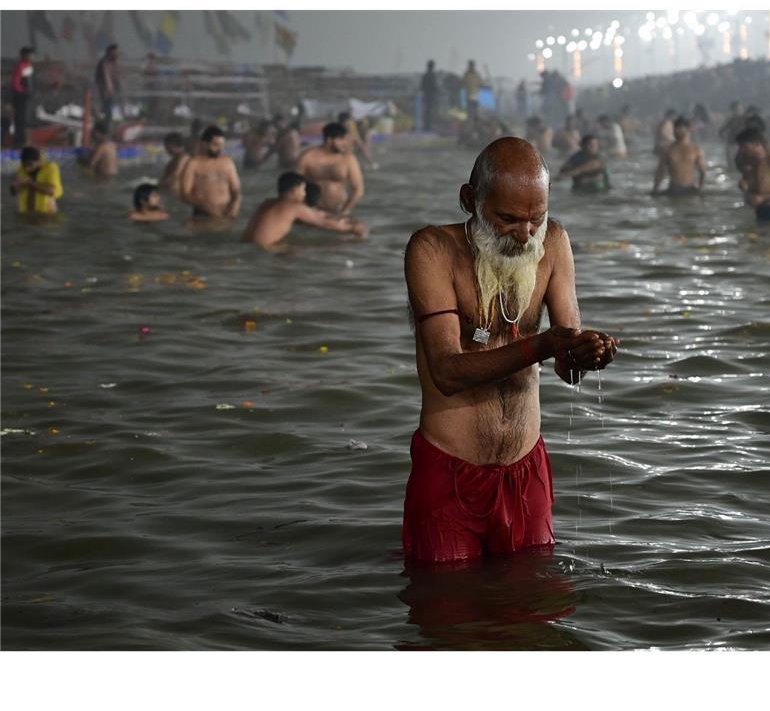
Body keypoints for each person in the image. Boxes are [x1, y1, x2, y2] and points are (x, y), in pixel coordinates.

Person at [401, 136, 618, 563]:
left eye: (536, 218)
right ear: (470, 200)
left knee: (533, 605)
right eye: (508, 219)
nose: (525, 235)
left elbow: (565, 364)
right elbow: (446, 371)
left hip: (526, 466)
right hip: (450, 470)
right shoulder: (432, 250)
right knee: (448, 611)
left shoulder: (553, 243)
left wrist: (589, 354)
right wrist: (543, 345)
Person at [242, 172, 367, 249]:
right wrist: (352, 228)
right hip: (266, 251)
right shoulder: (294, 207)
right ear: (294, 190)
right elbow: (325, 224)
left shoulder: (267, 202)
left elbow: (312, 216)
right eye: (303, 189)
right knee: (323, 248)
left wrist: (326, 215)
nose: (304, 194)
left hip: (246, 247)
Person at [294, 122, 365, 215]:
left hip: (339, 209)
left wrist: (344, 211)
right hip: (312, 210)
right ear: (329, 140)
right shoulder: (307, 157)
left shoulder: (348, 159)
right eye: (341, 139)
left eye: (346, 140)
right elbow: (294, 186)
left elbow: (358, 190)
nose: (345, 143)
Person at [180, 125, 242, 219]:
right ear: (204, 144)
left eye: (221, 145)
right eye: (215, 145)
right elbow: (185, 194)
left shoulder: (228, 163)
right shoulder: (193, 164)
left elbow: (236, 190)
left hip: (227, 213)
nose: (220, 149)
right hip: (202, 213)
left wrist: (235, 205)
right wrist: (206, 207)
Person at [652, 117, 707, 196]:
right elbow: (660, 172)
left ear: (688, 129)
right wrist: (655, 189)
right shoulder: (668, 150)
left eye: (679, 128)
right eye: (675, 128)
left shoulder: (696, 150)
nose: (676, 131)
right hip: (673, 189)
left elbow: (703, 172)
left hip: (690, 189)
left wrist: (700, 189)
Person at [10, 146, 62, 216]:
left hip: (46, 215)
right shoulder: (22, 170)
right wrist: (14, 186)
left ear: (39, 161)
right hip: (26, 215)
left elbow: (52, 191)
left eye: (30, 164)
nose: (27, 168)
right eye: (24, 165)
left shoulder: (50, 168)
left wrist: (29, 182)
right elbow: (14, 193)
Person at [9, 46, 34, 146]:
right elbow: (15, 83)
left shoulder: (29, 66)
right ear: (25, 55)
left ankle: (23, 140)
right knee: (20, 119)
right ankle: (18, 141)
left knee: (24, 119)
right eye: (30, 54)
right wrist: (23, 92)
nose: (32, 56)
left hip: (27, 97)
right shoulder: (20, 66)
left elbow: (29, 81)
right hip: (20, 97)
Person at [93, 44, 121, 130]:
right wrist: (110, 88)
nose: (117, 54)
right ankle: (103, 130)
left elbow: (115, 76)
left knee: (108, 111)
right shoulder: (105, 62)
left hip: (107, 92)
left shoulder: (112, 62)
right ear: (110, 52)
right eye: (116, 52)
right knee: (105, 111)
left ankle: (106, 128)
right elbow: (106, 77)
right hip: (103, 91)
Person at [718, 101, 747, 167]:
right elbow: (721, 130)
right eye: (736, 109)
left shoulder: (745, 119)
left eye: (740, 109)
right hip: (731, 142)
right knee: (730, 160)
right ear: (732, 111)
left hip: (741, 143)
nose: (738, 111)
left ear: (742, 109)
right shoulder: (731, 120)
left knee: (741, 160)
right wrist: (722, 136)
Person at [421, 60, 440, 132]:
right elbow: (434, 86)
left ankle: (427, 126)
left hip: (426, 95)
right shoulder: (432, 75)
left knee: (427, 111)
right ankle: (428, 126)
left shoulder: (425, 75)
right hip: (431, 95)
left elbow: (422, 86)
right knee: (430, 111)